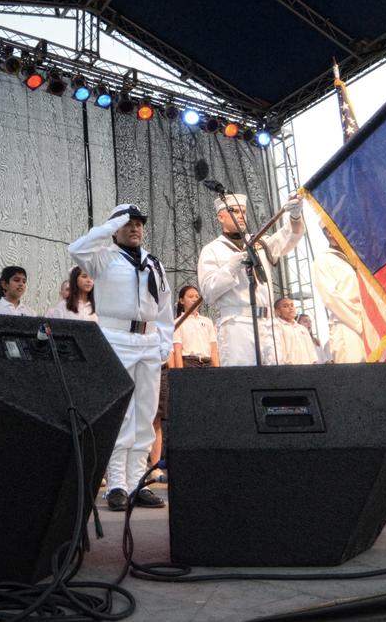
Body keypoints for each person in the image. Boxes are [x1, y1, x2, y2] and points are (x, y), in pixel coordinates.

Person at [69, 204, 173, 511]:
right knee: (122, 414)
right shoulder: (103, 257)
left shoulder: (154, 262)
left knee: (145, 414)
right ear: (116, 227)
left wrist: (164, 343)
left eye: (139, 223)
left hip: (148, 340)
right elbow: (76, 248)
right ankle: (116, 483)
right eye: (128, 223)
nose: (135, 228)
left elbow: (165, 306)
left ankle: (137, 481)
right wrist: (107, 227)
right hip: (116, 338)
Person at [197, 192, 305, 366]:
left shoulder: (259, 243)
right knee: (243, 381)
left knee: (274, 382)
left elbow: (287, 237)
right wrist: (232, 266)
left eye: (243, 212)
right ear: (221, 216)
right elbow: (208, 291)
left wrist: (295, 215)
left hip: (268, 323)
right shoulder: (212, 250)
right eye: (234, 211)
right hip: (237, 325)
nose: (240, 216)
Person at [149, 284, 217, 483]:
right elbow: (175, 350)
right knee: (173, 416)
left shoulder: (207, 322)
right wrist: (178, 375)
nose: (195, 299)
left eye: (197, 296)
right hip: (186, 364)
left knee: (205, 414)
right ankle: (159, 463)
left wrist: (217, 370)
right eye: (190, 296)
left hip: (206, 365)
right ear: (181, 300)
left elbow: (213, 348)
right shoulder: (176, 322)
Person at [312, 225, 386, 364]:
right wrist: (361, 322)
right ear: (329, 232)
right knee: (356, 376)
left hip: (371, 323)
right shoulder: (324, 260)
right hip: (348, 326)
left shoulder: (357, 258)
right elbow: (331, 298)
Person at [273, 296, 319, 365]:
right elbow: (279, 353)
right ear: (278, 311)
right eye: (285, 306)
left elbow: (311, 352)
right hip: (289, 369)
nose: (291, 308)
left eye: (292, 305)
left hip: (308, 368)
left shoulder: (302, 328)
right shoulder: (277, 327)